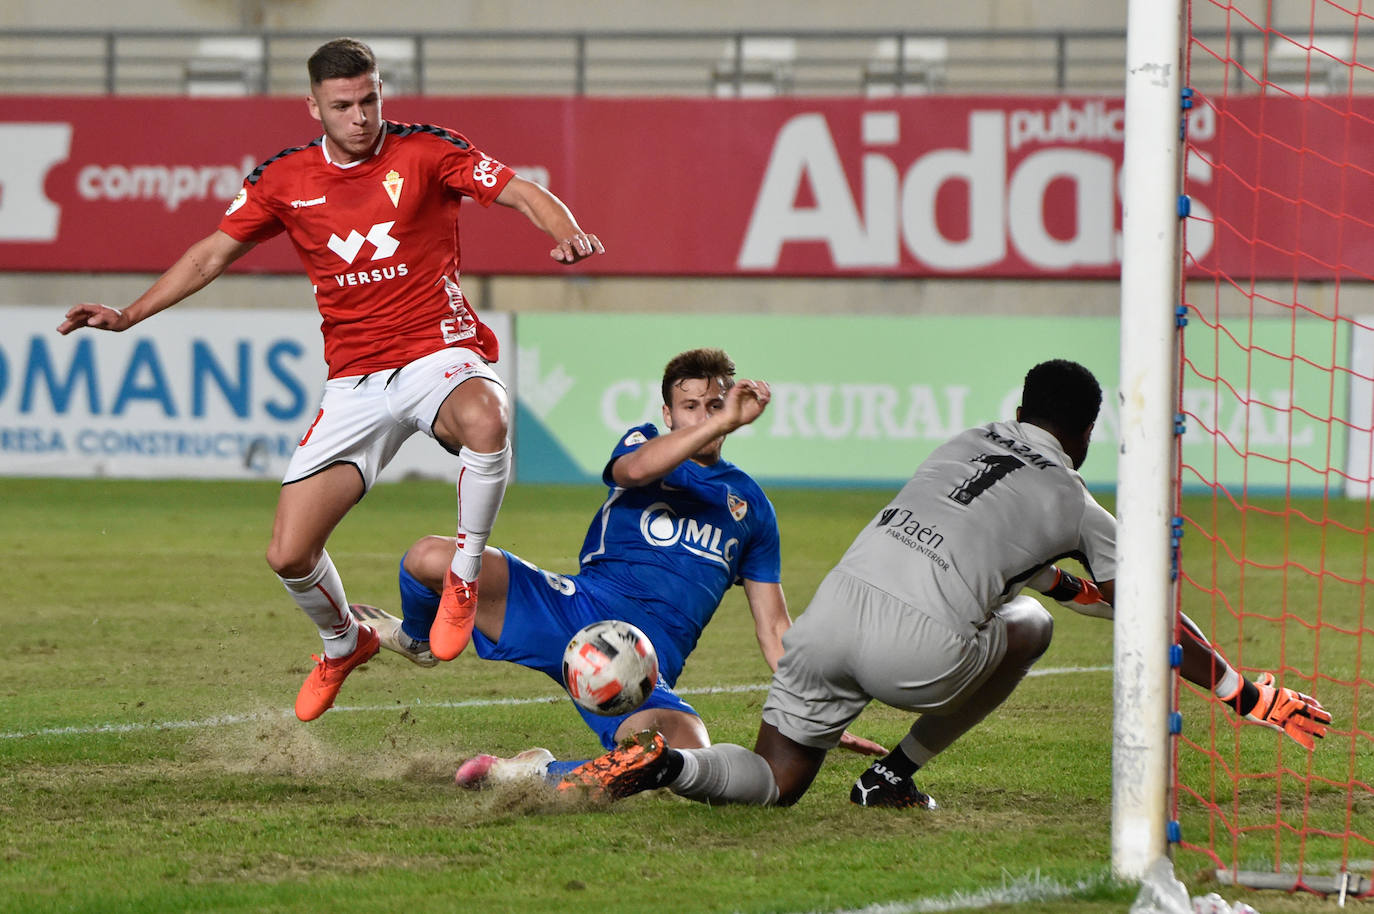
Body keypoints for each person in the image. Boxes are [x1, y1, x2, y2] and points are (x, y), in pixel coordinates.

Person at [55, 38, 605, 722]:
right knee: (288, 553)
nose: (360, 115)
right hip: (354, 381)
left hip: (438, 350)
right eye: (343, 104)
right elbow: (208, 256)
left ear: (382, 93)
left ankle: (464, 576)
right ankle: (343, 641)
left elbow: (519, 190)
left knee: (486, 418)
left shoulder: (428, 151)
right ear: (313, 105)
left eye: (370, 99)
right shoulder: (283, 179)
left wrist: (568, 230)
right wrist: (129, 314)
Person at [557, 359, 1333, 808]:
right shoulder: (1074, 501)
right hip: (916, 652)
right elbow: (1145, 618)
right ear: (1088, 433)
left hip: (828, 619)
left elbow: (1021, 560)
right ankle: (895, 775)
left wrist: (1066, 586)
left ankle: (670, 766)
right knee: (1031, 625)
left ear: (1019, 410)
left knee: (776, 780)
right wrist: (1241, 692)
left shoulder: (964, 439)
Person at [354, 347, 883, 787]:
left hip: (642, 662)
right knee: (428, 557)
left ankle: (532, 773)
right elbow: (633, 471)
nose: (705, 415)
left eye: (715, 404)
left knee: (685, 751)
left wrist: (813, 711)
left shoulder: (752, 507)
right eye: (692, 406)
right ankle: (418, 641)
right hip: (574, 608)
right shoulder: (643, 444)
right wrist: (721, 419)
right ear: (670, 413)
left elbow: (774, 628)